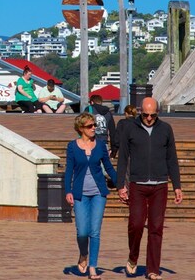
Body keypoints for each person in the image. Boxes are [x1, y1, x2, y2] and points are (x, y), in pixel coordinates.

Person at [116, 97, 183, 280]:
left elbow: (172, 158)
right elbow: (122, 158)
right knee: (136, 224)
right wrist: (120, 185)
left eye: (152, 115)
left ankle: (153, 269)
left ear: (157, 113)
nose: (148, 118)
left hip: (159, 185)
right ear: (139, 112)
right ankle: (133, 256)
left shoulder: (165, 129)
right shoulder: (130, 128)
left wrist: (177, 185)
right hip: (137, 184)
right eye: (145, 115)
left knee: (156, 228)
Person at [64, 112, 118, 280]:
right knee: (82, 232)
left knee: (94, 231)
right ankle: (83, 255)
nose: (94, 128)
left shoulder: (101, 145)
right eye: (90, 126)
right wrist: (68, 191)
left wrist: (121, 185)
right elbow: (68, 171)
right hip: (80, 194)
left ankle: (93, 267)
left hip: (98, 193)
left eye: (94, 125)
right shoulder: (72, 147)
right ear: (81, 128)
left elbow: (108, 167)